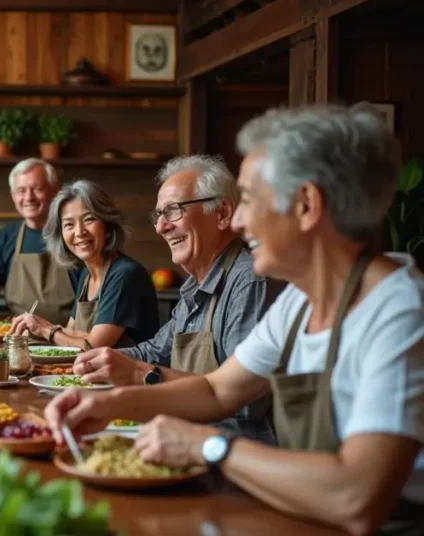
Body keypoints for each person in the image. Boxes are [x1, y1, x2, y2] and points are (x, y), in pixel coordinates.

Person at [46, 104, 424, 535]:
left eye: (249, 201)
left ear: (306, 205)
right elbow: (216, 390)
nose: (240, 221)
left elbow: (357, 498)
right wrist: (102, 405)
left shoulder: (400, 310)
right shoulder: (300, 302)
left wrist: (205, 444)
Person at [69, 155, 282, 443]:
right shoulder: (197, 286)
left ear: (222, 214)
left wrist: (139, 373)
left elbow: (244, 403)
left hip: (233, 457)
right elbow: (154, 352)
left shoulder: (249, 282)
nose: (160, 227)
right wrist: (100, 361)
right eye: (158, 215)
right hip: (185, 439)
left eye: (173, 211)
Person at [8, 180, 160, 349]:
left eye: (89, 219)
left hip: (130, 374)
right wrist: (37, 326)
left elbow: (94, 345)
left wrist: (45, 330)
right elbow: (72, 332)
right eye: (69, 225)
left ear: (107, 225)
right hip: (92, 373)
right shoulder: (87, 275)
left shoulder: (125, 274)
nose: (79, 232)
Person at [0, 159, 78, 326]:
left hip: (67, 335)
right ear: (13, 196)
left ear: (55, 191)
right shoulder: (6, 237)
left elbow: (89, 298)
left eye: (37, 189)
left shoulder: (74, 235)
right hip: (18, 337)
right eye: (21, 190)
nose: (28, 197)